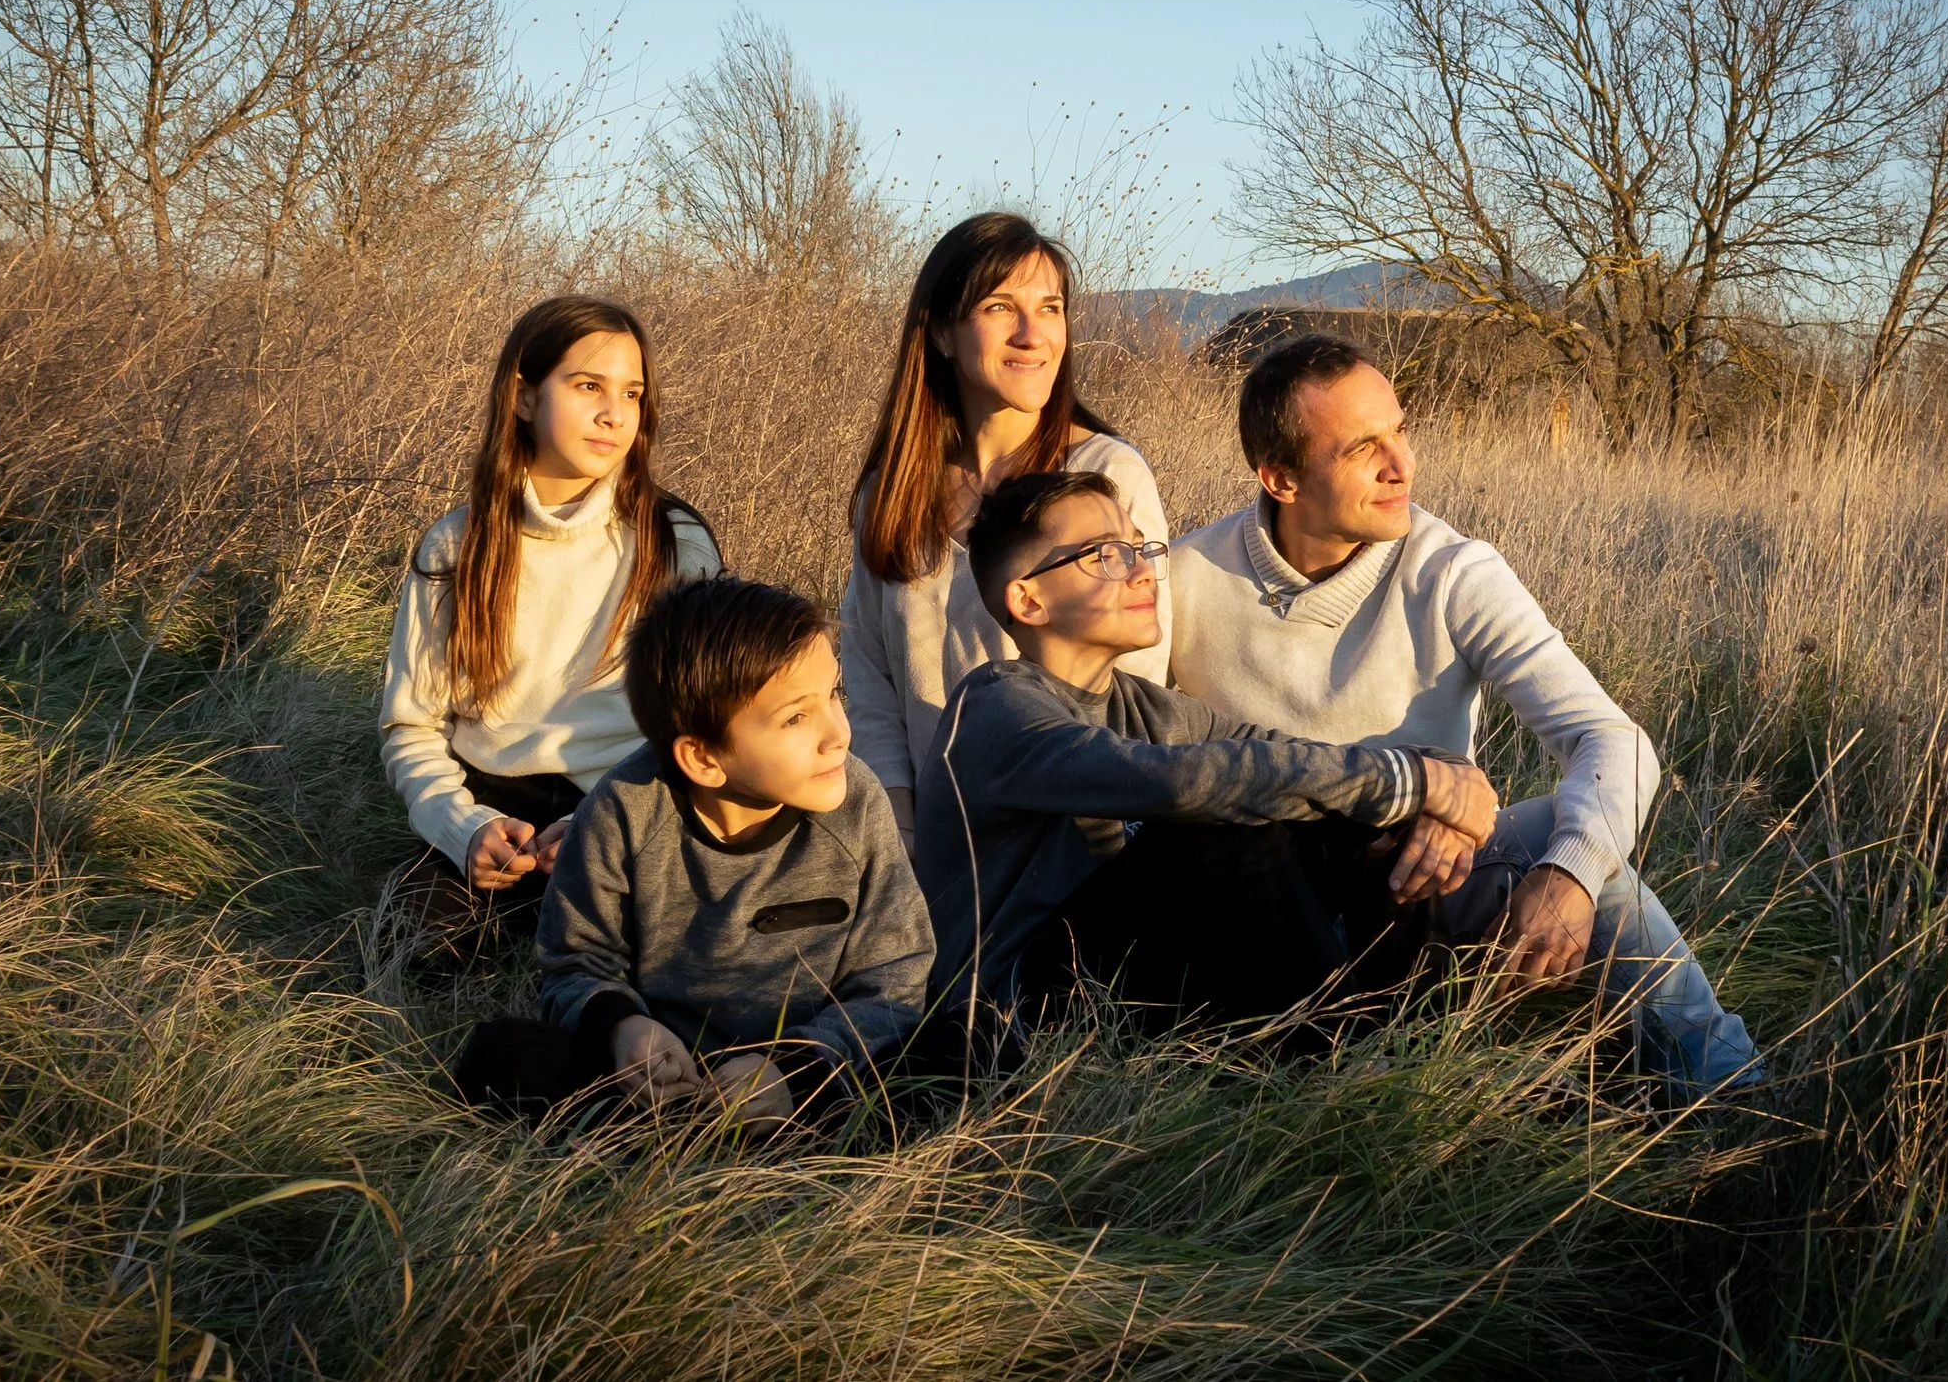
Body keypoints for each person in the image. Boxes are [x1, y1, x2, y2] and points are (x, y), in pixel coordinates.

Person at [1168, 333, 1761, 1092]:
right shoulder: (1184, 580)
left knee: (1585, 852)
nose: (1402, 465)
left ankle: (1735, 1097)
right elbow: (1109, 747)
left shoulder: (1451, 570)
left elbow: (1611, 738)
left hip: (1422, 891)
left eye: (1401, 429)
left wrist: (1568, 876)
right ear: (1281, 478)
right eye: (1363, 449)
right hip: (1258, 903)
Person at [910, 469, 1498, 1053]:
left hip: (1130, 987)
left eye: (1140, 549)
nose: (1143, 569)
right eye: (1106, 556)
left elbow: (1293, 758)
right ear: (1029, 600)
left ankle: (1419, 1053)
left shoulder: (1146, 707)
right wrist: (1416, 781)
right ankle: (1329, 1072)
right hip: (1010, 1019)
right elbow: (1176, 783)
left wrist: (1439, 778)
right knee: (1222, 824)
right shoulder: (993, 708)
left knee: (1364, 828)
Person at [380, 295, 719, 959]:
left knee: (660, 963)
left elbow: (706, 726)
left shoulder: (676, 544)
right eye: (587, 384)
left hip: (628, 803)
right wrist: (464, 829)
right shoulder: (457, 547)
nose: (613, 412)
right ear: (525, 397)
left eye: (632, 393)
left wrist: (614, 824)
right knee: (415, 945)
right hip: (492, 808)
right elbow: (409, 727)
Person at [532, 577, 934, 1133]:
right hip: (672, 1078)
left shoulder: (857, 802)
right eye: (796, 718)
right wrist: (623, 1028)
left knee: (965, 1042)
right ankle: (670, 1137)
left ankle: (790, 1139)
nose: (837, 733)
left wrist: (795, 1068)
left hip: (810, 1074)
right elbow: (574, 962)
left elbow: (895, 977)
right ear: (702, 758)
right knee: (506, 1056)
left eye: (835, 693)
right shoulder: (622, 811)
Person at [843, 212, 1171, 842]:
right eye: (1000, 306)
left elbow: (1139, 675)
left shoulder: (1105, 476)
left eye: (1050, 308)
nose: (1032, 334)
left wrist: (1092, 836)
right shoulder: (892, 492)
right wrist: (902, 829)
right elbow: (871, 677)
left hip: (1072, 840)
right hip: (931, 841)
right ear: (941, 331)